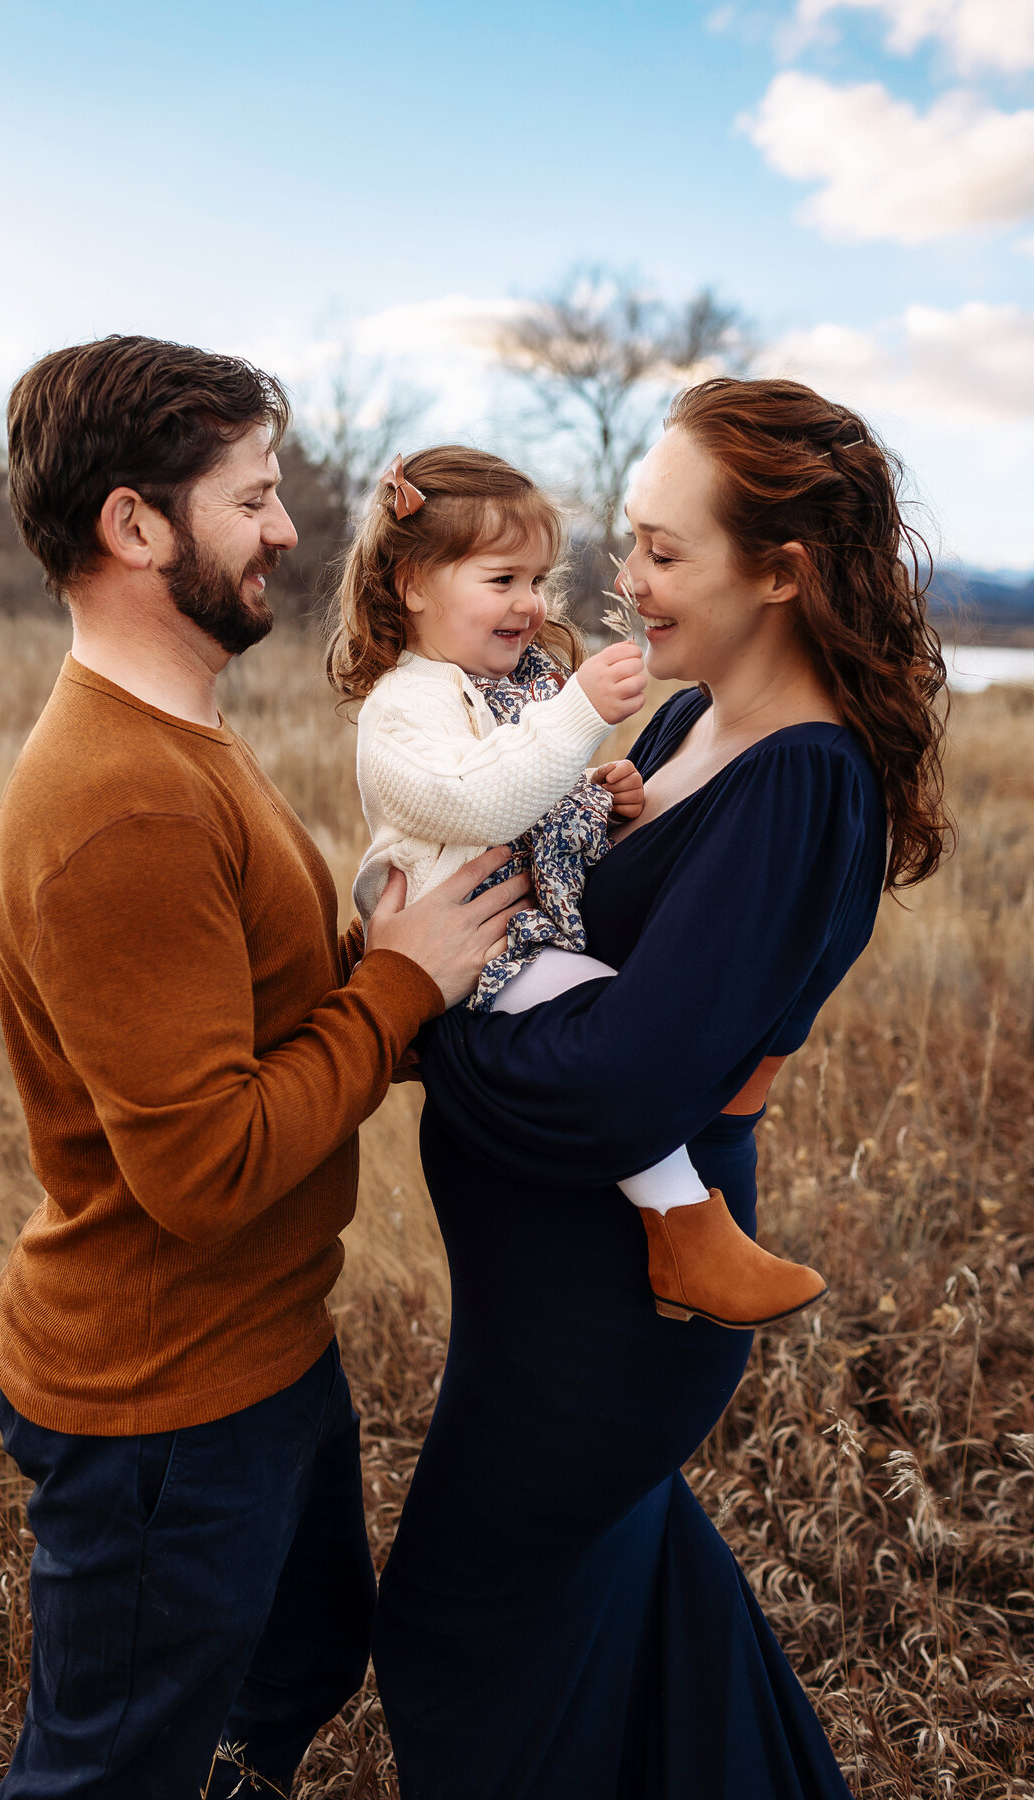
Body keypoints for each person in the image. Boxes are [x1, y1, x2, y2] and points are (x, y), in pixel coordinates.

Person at [371, 378, 951, 1798]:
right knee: (637, 1622)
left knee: (457, 1635)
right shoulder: (692, 720)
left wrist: (416, 1001)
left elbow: (622, 1092)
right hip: (543, 1310)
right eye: (629, 543)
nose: (622, 583)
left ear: (782, 572)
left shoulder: (808, 784)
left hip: (614, 1326)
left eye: (663, 552)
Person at [0, 334, 529, 1800]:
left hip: (266, 1351)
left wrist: (400, 992)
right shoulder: (122, 804)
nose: (290, 530)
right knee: (107, 1773)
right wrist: (402, 988)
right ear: (135, 525)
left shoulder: (184, 740)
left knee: (297, 1665)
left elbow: (262, 1024)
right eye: (255, 497)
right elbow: (206, 1166)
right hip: (162, 1400)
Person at [327, 444, 827, 1330]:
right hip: (477, 952)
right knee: (603, 1007)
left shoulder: (508, 687)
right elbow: (475, 796)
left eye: (538, 579)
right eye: (501, 578)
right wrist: (583, 715)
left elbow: (529, 799)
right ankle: (690, 1234)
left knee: (602, 1011)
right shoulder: (404, 705)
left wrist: (594, 795)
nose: (529, 603)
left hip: (509, 938)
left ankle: (686, 1238)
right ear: (410, 585)